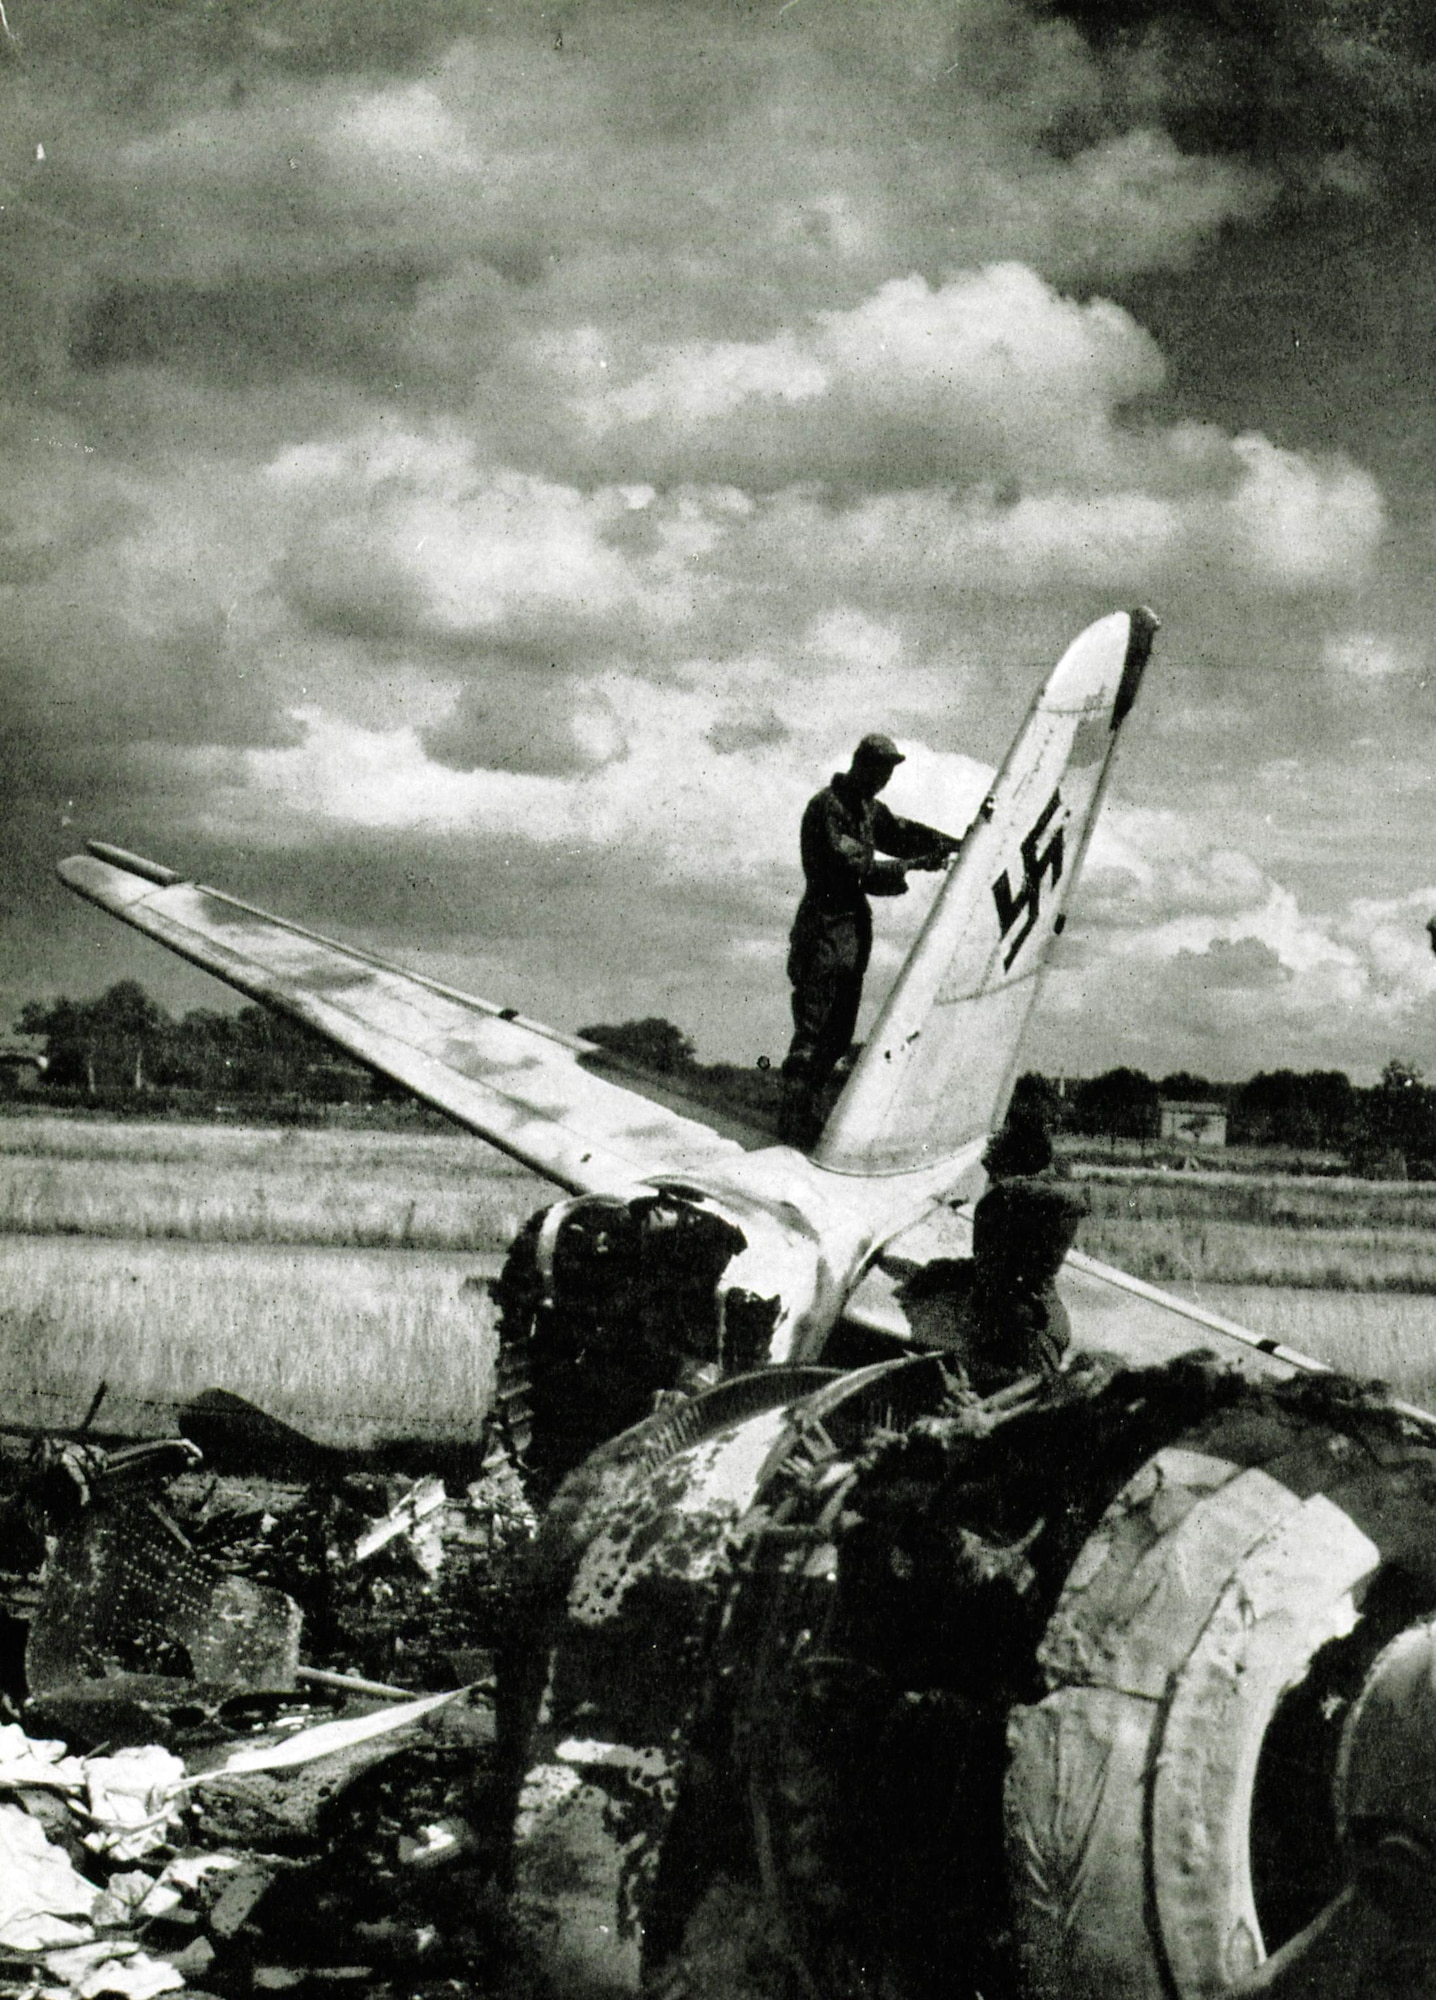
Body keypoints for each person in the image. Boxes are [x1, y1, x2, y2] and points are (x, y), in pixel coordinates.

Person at [780, 733, 960, 1148]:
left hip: (851, 935)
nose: (884, 779)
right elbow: (853, 868)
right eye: (880, 770)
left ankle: (806, 1117)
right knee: (812, 1034)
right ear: (861, 764)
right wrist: (913, 865)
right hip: (823, 930)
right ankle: (793, 1120)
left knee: (838, 1035)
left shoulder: (867, 809)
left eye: (890, 772)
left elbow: (900, 833)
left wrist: (952, 842)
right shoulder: (828, 807)